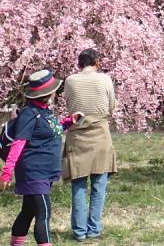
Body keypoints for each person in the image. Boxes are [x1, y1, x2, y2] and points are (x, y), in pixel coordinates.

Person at [1, 69, 83, 246]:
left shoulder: (45, 111)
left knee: (28, 211)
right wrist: (7, 171)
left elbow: (50, 131)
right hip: (33, 172)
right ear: (48, 93)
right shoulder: (29, 114)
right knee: (43, 213)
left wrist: (68, 122)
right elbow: (19, 142)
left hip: (46, 171)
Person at [62, 49, 119, 241]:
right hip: (100, 134)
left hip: (77, 134)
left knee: (78, 185)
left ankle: (79, 231)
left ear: (79, 63)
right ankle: (94, 229)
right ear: (97, 62)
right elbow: (111, 107)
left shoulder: (70, 80)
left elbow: (69, 104)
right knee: (99, 185)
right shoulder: (105, 79)